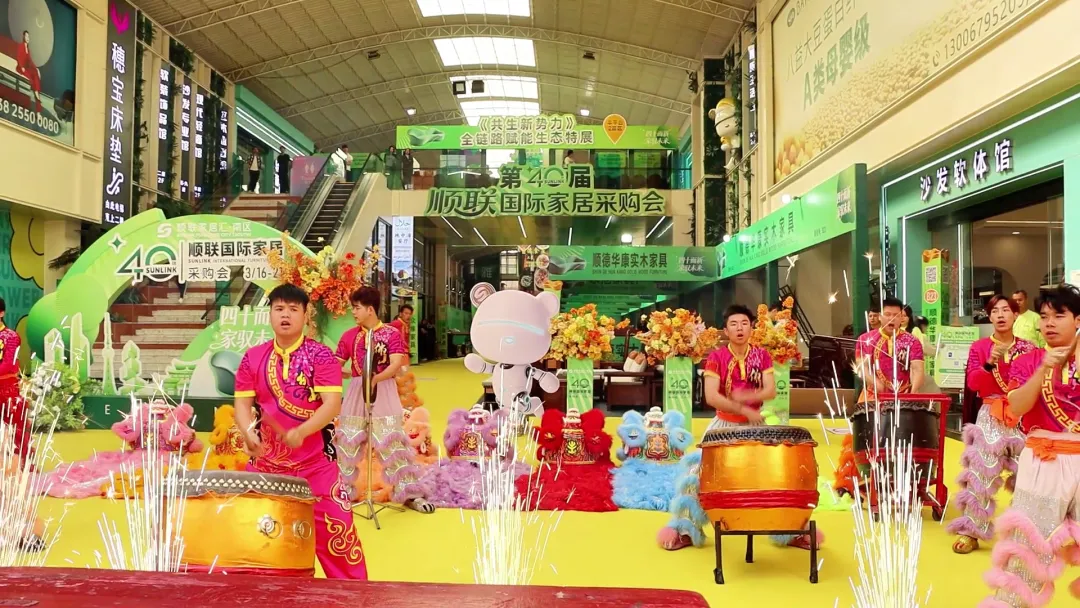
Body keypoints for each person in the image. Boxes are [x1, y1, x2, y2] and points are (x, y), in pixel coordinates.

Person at [657, 305, 821, 552]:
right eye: (733, 324)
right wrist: (743, 408)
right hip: (723, 426)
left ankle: (792, 530)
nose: (740, 328)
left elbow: (770, 390)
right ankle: (686, 530)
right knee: (697, 475)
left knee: (778, 474)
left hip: (756, 426)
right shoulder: (716, 358)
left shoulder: (762, 356)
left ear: (751, 327)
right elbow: (712, 396)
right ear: (726, 330)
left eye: (744, 323)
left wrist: (748, 398)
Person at [232, 284, 366, 579]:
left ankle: (354, 596)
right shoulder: (253, 357)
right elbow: (242, 405)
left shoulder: (321, 356)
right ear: (269, 314)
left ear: (306, 316)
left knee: (340, 542)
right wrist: (247, 432)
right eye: (279, 309)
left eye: (293, 309)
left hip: (316, 468)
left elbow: (332, 405)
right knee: (257, 544)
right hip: (266, 468)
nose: (285, 315)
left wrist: (303, 431)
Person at [981, 284, 1080, 607]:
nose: (1049, 323)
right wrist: (1043, 370)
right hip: (1042, 461)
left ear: (1077, 320)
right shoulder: (1029, 360)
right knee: (1028, 551)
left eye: (1059, 316)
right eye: (1044, 316)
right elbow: (1017, 407)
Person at [947, 295, 1037, 555]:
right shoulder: (980, 347)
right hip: (991, 414)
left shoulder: (1029, 348)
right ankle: (971, 531)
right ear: (989, 317)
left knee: (1031, 474)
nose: (1000, 315)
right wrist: (988, 365)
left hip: (1022, 415)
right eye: (995, 311)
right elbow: (974, 384)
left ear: (1015, 315)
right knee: (981, 473)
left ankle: (1028, 533)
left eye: (1006, 310)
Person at [335, 287, 433, 513]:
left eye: (357, 308)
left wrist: (375, 379)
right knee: (348, 439)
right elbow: (336, 363)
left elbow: (396, 362)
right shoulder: (349, 336)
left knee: (392, 440)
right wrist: (352, 375)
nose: (353, 312)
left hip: (384, 389)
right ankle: (341, 491)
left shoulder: (390, 334)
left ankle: (410, 493)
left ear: (370, 309)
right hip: (357, 390)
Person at [855, 296, 925, 399]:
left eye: (896, 315)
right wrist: (875, 383)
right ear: (880, 316)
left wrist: (913, 393)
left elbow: (918, 369)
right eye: (887, 314)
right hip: (873, 396)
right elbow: (862, 367)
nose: (891, 318)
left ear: (901, 318)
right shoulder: (865, 339)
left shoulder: (912, 341)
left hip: (904, 396)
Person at [0, 298, 29, 463]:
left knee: (14, 429)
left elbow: (9, 364)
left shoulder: (10, 337)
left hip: (6, 389)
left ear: (1, 313)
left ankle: (20, 464)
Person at [16, 31, 42, 111]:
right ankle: (35, 92)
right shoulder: (21, 46)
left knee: (35, 74)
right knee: (31, 80)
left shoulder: (28, 49)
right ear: (23, 37)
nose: (27, 38)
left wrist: (36, 69)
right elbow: (18, 57)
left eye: (28, 37)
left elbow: (30, 61)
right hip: (21, 68)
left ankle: (36, 93)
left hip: (26, 68)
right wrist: (21, 67)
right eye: (26, 36)